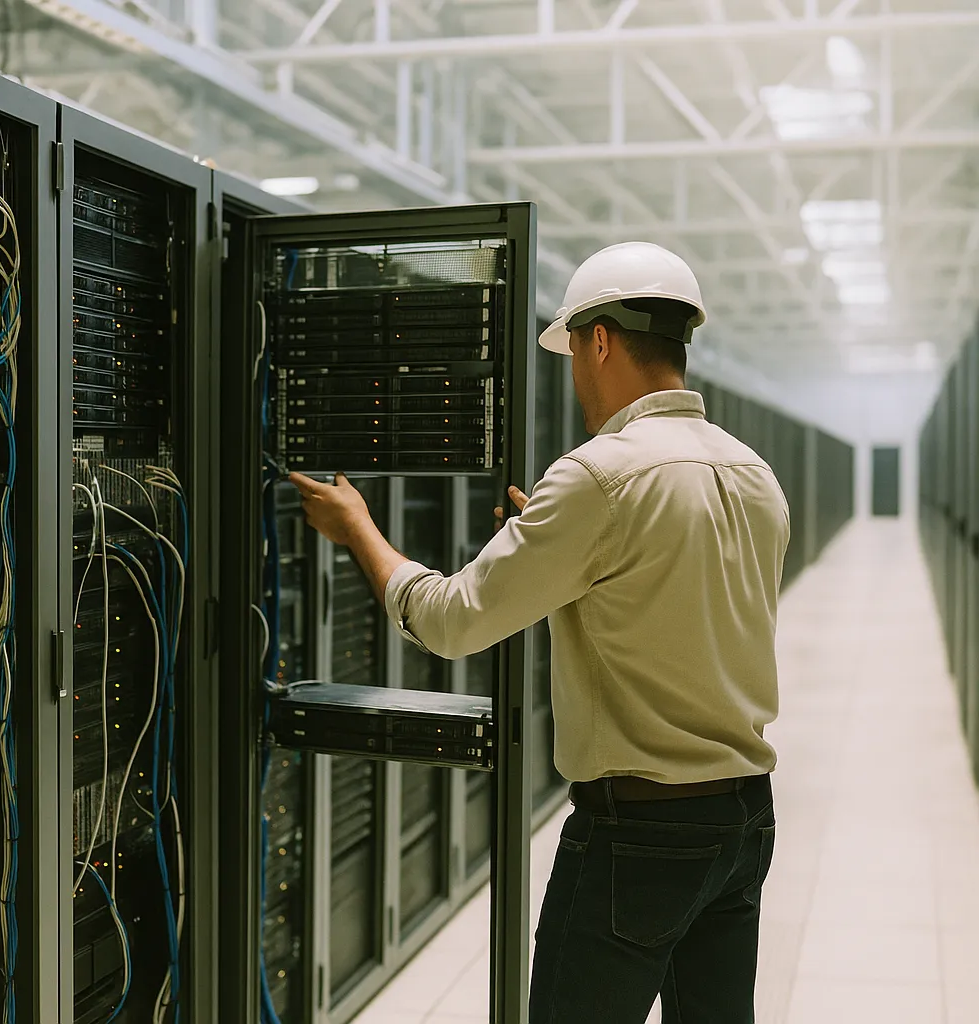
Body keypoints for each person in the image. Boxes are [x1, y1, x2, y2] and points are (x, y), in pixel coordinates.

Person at [290, 241, 790, 1024]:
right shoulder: (754, 474)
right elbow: (670, 596)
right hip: (742, 824)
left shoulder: (600, 475)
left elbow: (451, 621)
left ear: (599, 340)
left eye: (573, 352)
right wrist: (564, 552)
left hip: (638, 836)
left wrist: (359, 530)